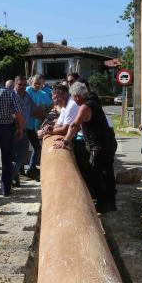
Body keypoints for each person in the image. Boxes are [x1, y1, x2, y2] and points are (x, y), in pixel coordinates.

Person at [53, 81, 117, 213]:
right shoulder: (93, 101)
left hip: (99, 146)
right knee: (107, 173)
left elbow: (74, 126)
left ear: (76, 96)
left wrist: (65, 141)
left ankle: (102, 203)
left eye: (73, 97)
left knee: (95, 173)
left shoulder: (84, 107)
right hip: (108, 142)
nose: (73, 99)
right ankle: (110, 202)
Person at [12, 75, 46, 186]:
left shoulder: (26, 95)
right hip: (16, 128)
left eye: (23, 84)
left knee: (29, 151)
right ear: (15, 84)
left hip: (27, 127)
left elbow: (34, 109)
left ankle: (19, 174)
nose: (22, 87)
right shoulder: (11, 95)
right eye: (19, 84)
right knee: (21, 153)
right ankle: (13, 175)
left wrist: (45, 118)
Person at [25, 74, 51, 179]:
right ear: (31, 82)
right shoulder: (26, 92)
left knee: (36, 148)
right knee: (24, 148)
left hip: (36, 125)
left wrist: (45, 110)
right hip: (25, 124)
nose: (37, 85)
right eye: (35, 83)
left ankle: (31, 168)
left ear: (42, 84)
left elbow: (49, 106)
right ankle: (23, 169)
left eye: (39, 84)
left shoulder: (43, 93)